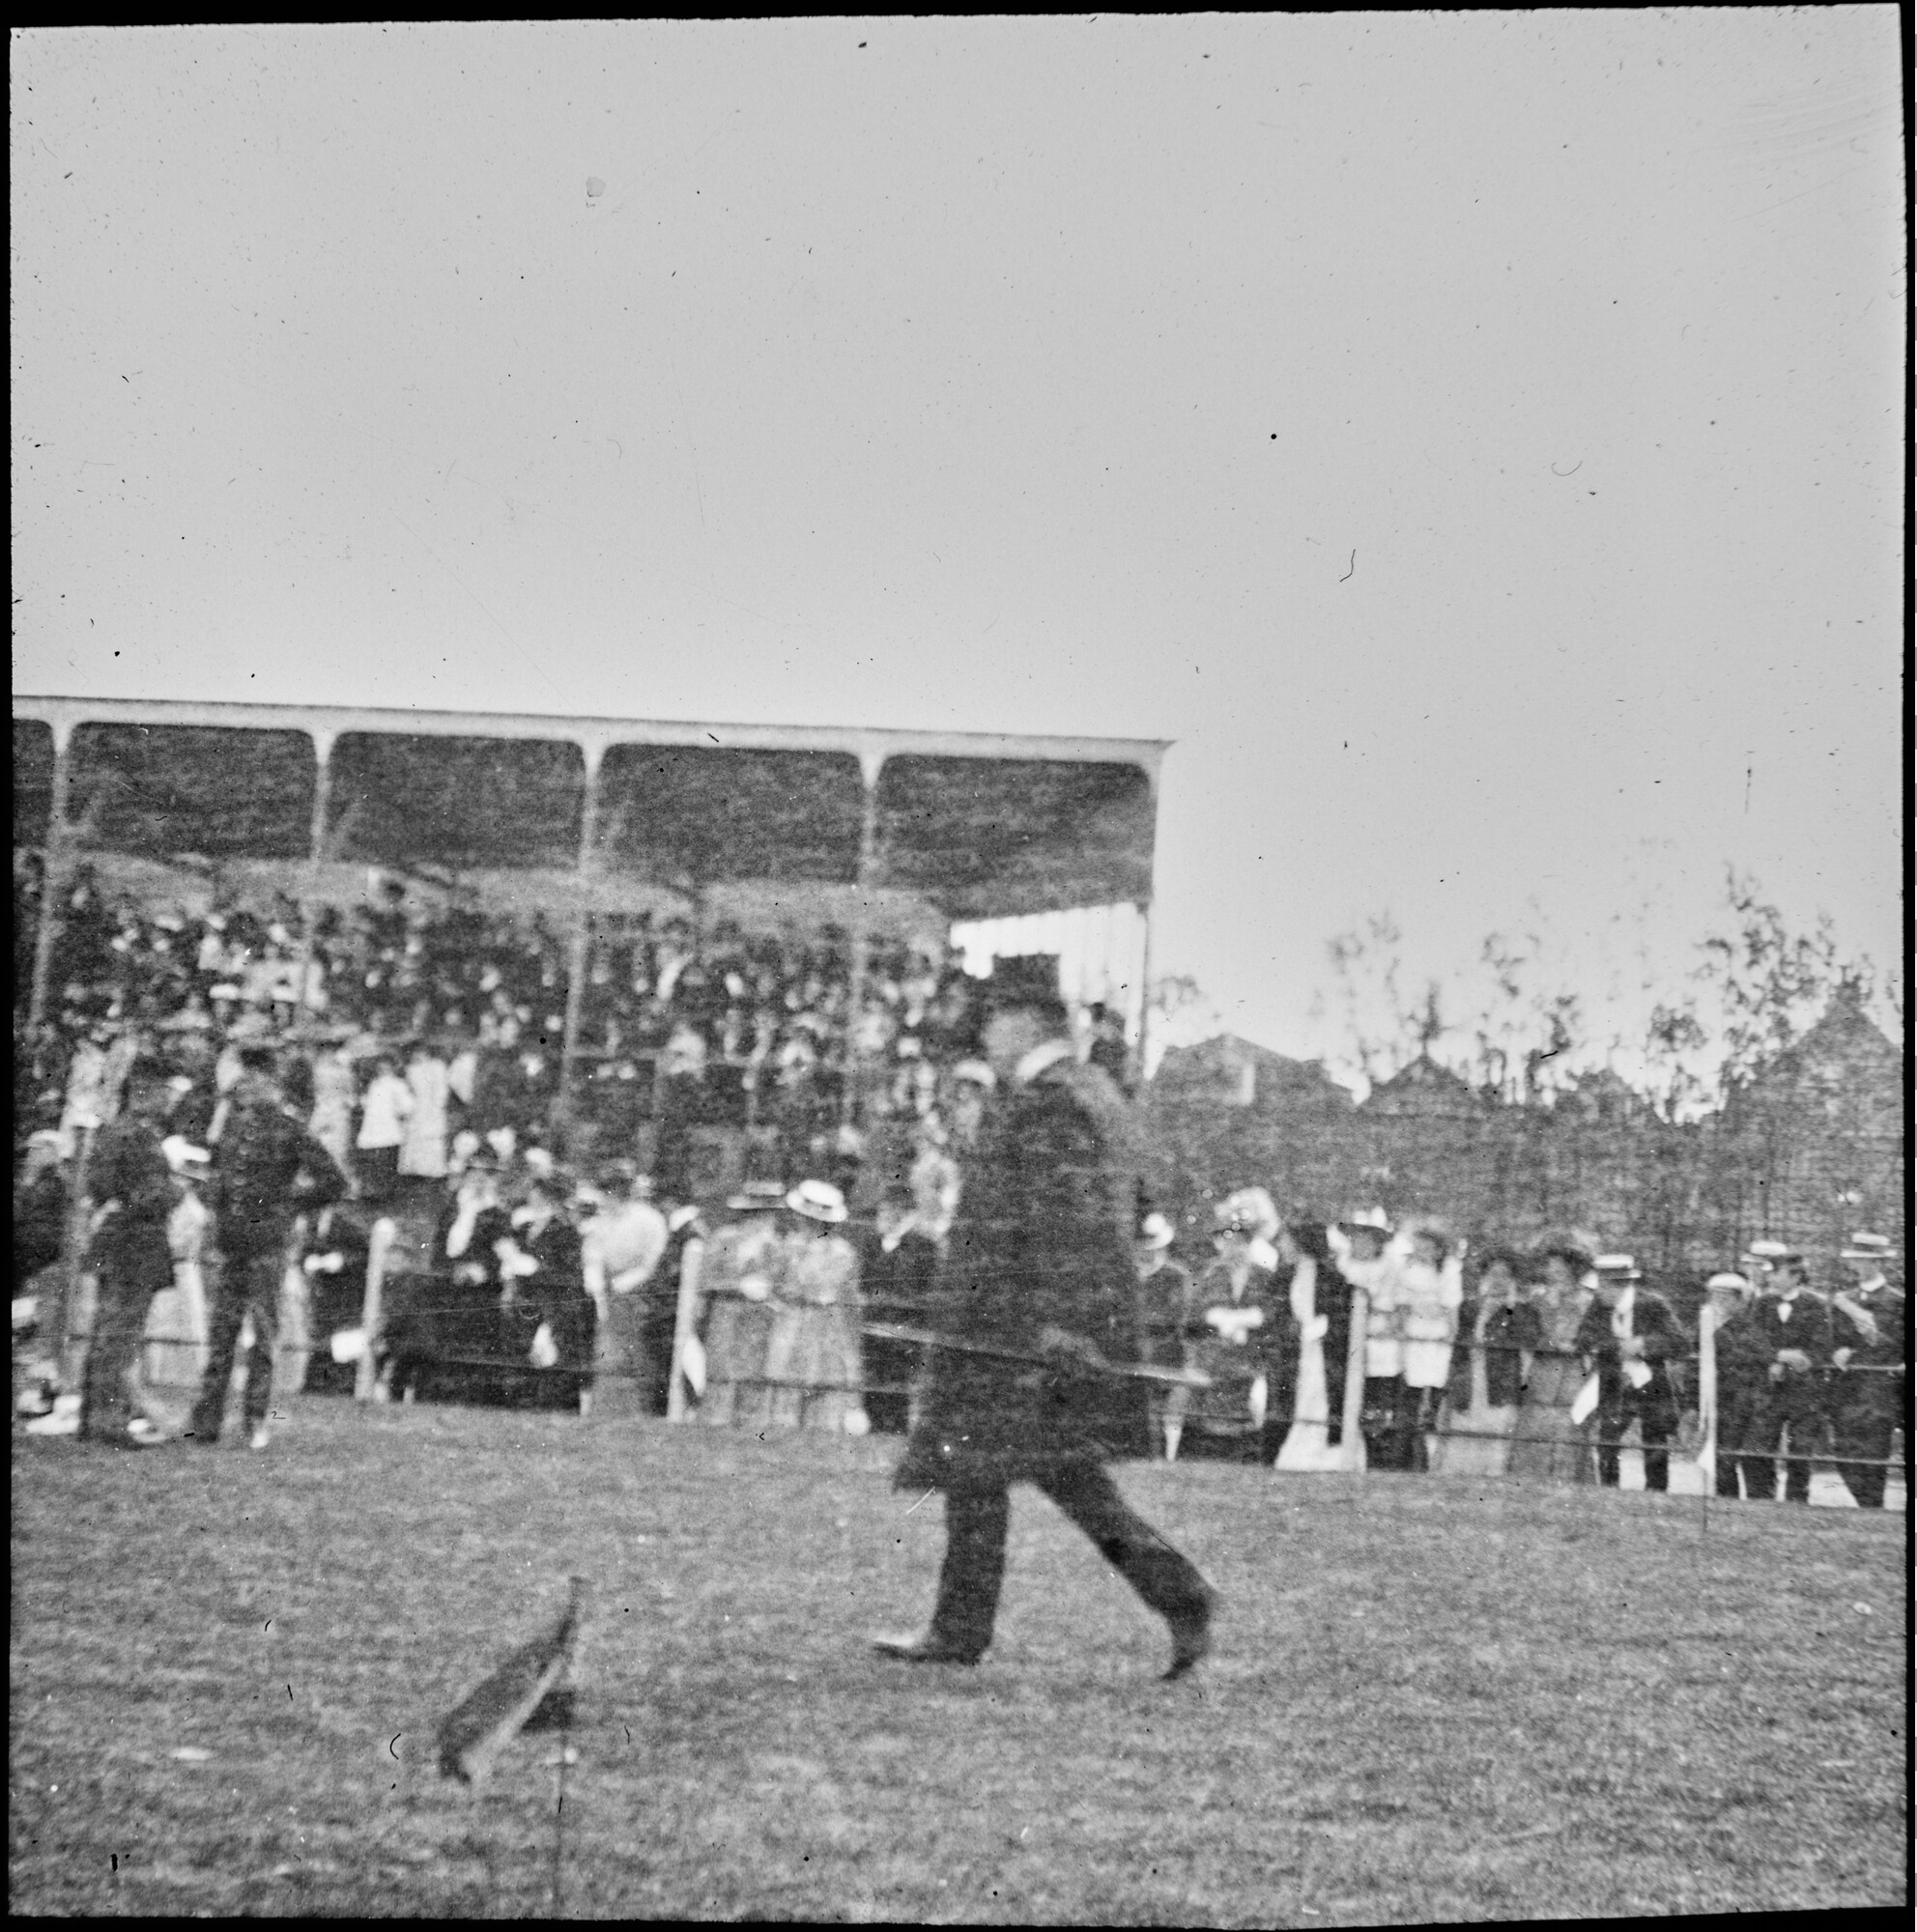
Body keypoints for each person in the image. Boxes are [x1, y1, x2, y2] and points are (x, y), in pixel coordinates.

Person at [873, 955, 1215, 1679]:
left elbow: (1072, 1221)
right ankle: (1172, 1593)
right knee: (1039, 1477)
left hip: (1019, 1333)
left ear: (1021, 1021)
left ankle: (968, 1628)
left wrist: (1061, 1326)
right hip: (1021, 1329)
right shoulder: (1084, 1091)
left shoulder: (1052, 1100)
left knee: (1012, 1473)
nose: (985, 1041)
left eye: (991, 1024)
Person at [187, 1044, 348, 1449]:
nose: (245, 1084)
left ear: (271, 1083)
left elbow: (333, 1181)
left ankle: (255, 1420)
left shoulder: (290, 1129)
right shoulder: (233, 1127)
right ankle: (205, 1421)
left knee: (262, 1335)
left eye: (254, 1077)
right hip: (234, 1245)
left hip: (267, 1248)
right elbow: (222, 1180)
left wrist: (289, 1206)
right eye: (244, 1075)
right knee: (222, 1333)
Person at [72, 1058, 179, 1447]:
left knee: (107, 1330)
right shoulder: (138, 1136)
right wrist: (174, 1190)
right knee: (121, 1335)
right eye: (165, 1089)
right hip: (135, 1243)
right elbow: (149, 1195)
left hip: (115, 1240)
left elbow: (99, 1186)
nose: (169, 1099)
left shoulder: (112, 1132)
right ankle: (109, 1421)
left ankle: (92, 1416)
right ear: (146, 1092)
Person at [1171, 1189, 1290, 1463]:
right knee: (1203, 1433)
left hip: (1248, 1366)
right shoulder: (1209, 1276)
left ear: (1247, 1241)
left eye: (1237, 1240)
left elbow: (1274, 1315)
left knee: (1245, 1433)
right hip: (1212, 1364)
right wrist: (1217, 1319)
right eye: (1223, 1240)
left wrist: (1245, 1320)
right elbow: (1191, 1319)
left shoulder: (1264, 1277)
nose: (1230, 1246)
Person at [1727, 1242, 1831, 1504]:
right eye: (1770, 1273)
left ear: (1796, 1276)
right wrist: (1776, 1357)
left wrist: (1796, 1361)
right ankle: (1761, 1499)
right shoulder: (1763, 1303)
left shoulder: (1816, 1304)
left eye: (1777, 1273)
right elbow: (1752, 1340)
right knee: (1757, 1447)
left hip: (1804, 1391)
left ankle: (1797, 1501)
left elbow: (1820, 1347)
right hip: (1769, 1390)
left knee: (1800, 1449)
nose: (1770, 1278)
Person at [762, 1179, 866, 1433]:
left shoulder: (843, 1253)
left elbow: (839, 1291)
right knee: (785, 1386)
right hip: (791, 1322)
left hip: (826, 1327)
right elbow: (775, 1284)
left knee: (823, 1389)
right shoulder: (786, 1247)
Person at [1576, 1254, 1684, 1492]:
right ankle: (1608, 1489)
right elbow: (1583, 1339)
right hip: (1614, 1379)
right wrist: (1616, 1346)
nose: (1599, 1293)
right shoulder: (1598, 1306)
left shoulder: (1653, 1304)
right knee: (1608, 1438)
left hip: (1651, 1380)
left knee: (1655, 1439)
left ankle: (1657, 1493)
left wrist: (1643, 1344)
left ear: (1620, 1286)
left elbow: (1679, 1342)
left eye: (1603, 1287)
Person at [496, 1169, 597, 1412]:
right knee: (520, 1362)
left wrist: (536, 1270)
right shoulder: (523, 1228)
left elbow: (570, 1277)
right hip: (522, 1304)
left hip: (552, 1306)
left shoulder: (565, 1232)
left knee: (549, 1363)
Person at [1432, 1246, 1538, 1478]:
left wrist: (1509, 1308)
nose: (1497, 1280)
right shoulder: (1470, 1307)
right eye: (1492, 1274)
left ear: (1513, 1279)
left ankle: (1493, 1476)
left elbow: (1527, 1343)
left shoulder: (1522, 1310)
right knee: (1464, 1426)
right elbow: (1459, 1346)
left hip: (1500, 1378)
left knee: (1496, 1428)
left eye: (1504, 1275)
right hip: (1470, 1375)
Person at [696, 1180, 786, 1427]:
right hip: (725, 1313)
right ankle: (713, 1421)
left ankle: (747, 1424)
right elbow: (706, 1279)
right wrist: (737, 1285)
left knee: (752, 1373)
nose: (765, 1220)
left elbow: (780, 1282)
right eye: (758, 1214)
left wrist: (767, 1290)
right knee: (720, 1371)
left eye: (769, 1214)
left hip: (759, 1318)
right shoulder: (724, 1238)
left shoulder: (775, 1246)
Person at [1826, 1231, 1905, 1510]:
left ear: (1879, 1263)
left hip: (1877, 1385)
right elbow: (1832, 1337)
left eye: (1865, 1259)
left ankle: (1873, 1506)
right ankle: (1865, 1503)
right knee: (1844, 1449)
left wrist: (1857, 1351)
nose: (1858, 1265)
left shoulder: (1897, 1300)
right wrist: (1835, 1350)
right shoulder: (1843, 1298)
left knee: (1872, 1449)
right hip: (1845, 1385)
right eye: (1856, 1259)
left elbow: (1896, 1344)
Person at [1507, 1239, 1597, 1485]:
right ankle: (1527, 1479)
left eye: (1560, 1269)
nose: (1553, 1274)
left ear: (1573, 1270)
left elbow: (1591, 1334)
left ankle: (1570, 1480)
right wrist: (1550, 1344)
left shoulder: (1589, 1300)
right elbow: (1526, 1333)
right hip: (1543, 1371)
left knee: (1570, 1424)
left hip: (1573, 1372)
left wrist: (1577, 1344)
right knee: (1536, 1421)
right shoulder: (1536, 1300)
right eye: (1550, 1268)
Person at [857, 1182, 942, 1435]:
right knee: (872, 1384)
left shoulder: (923, 1247)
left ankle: (894, 1431)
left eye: (886, 1210)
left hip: (902, 1331)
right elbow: (863, 1283)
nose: (881, 1217)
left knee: (897, 1387)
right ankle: (874, 1429)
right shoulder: (872, 1244)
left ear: (901, 1211)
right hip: (872, 1327)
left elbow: (921, 1291)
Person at [1330, 1208, 1411, 1471]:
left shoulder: (1392, 1266)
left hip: (1381, 1338)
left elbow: (1401, 1304)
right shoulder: (1342, 1265)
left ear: (1378, 1242)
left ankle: (1381, 1455)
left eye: (1366, 1238)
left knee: (1380, 1396)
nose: (1360, 1243)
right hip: (1350, 1336)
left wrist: (1391, 1325)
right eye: (1355, 1237)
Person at [1397, 1220, 1465, 1473]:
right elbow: (1403, 1302)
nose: (1422, 1253)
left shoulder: (1448, 1269)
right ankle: (1411, 1451)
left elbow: (1451, 1306)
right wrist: (1402, 1330)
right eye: (1419, 1247)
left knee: (1435, 1384)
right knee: (1412, 1385)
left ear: (1438, 1250)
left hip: (1438, 1331)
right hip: (1415, 1328)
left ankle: (1432, 1443)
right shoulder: (1409, 1268)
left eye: (1428, 1248)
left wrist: (1451, 1334)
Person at [1132, 1209, 1192, 1460]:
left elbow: (1180, 1315)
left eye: (1152, 1246)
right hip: (1133, 1347)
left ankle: (1169, 1454)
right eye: (1142, 1247)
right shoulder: (1126, 1275)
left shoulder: (1176, 1275)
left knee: (1171, 1403)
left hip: (1165, 1348)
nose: (1146, 1252)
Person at [1699, 1270, 1760, 1498]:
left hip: (1742, 1399)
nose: (1720, 1302)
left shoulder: (1748, 1326)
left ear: (1741, 1300)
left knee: (1746, 1455)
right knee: (1720, 1457)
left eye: (1727, 1297)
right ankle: (1726, 1499)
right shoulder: (1704, 1323)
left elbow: (1745, 1354)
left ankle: (1758, 1501)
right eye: (1715, 1297)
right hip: (1715, 1398)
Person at [355, 1051, 413, 1204]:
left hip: (388, 1129)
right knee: (376, 1162)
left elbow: (407, 1107)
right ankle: (374, 1192)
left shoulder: (398, 1084)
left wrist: (397, 1112)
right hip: (373, 1128)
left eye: (386, 1066)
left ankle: (384, 1194)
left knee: (386, 1162)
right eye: (381, 1067)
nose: (383, 1069)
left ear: (393, 1068)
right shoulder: (375, 1084)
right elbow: (367, 1104)